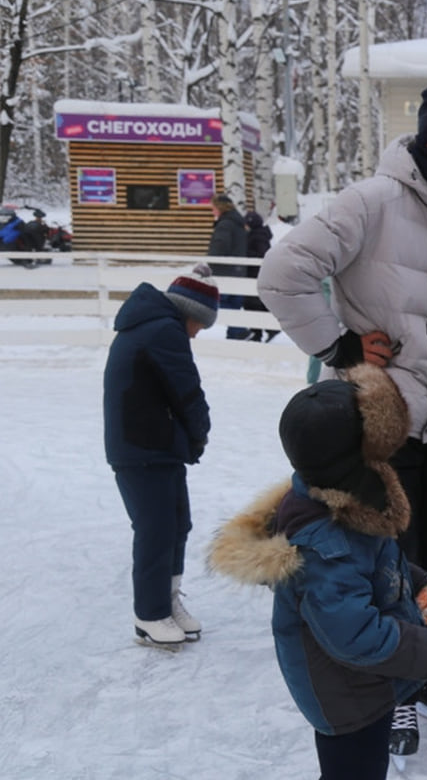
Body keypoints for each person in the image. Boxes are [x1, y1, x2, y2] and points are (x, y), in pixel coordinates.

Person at [257, 82, 427, 755]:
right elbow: (283, 272)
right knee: (384, 564)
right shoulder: (371, 201)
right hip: (378, 424)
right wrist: (340, 347)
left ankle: (426, 670)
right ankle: (392, 691)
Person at [208, 364, 427, 780]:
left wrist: (412, 579)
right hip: (347, 695)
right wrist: (423, 651)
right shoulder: (326, 545)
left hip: (361, 682)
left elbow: (371, 562)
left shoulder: (343, 503)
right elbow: (353, 634)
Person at [103, 263, 219, 648]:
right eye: (200, 326)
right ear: (191, 314)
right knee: (155, 530)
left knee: (176, 524)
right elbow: (186, 389)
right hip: (141, 447)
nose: (197, 334)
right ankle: (149, 615)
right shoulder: (163, 330)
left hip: (155, 445)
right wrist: (199, 434)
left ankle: (166, 602)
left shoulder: (155, 324)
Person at [207, 193, 248, 340]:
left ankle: (240, 329)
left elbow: (220, 246)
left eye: (213, 208)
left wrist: (210, 261)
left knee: (218, 301)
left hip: (225, 271)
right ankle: (235, 334)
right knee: (234, 303)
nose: (212, 211)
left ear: (220, 208)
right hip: (239, 269)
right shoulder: (238, 222)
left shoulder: (225, 224)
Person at [242, 206, 276, 342]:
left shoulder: (258, 236)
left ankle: (263, 330)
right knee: (253, 304)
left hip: (255, 274)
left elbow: (262, 254)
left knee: (254, 304)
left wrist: (246, 255)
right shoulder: (258, 235)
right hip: (253, 273)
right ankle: (260, 331)